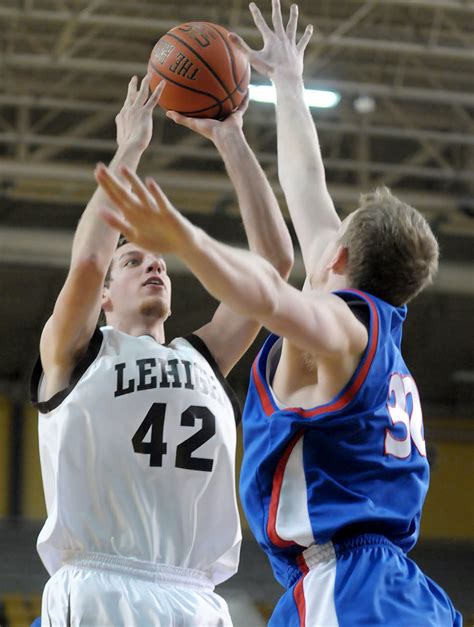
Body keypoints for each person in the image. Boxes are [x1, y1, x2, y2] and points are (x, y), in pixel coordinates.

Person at [95, 2, 462, 625]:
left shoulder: (339, 329)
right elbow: (306, 184)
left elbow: (266, 294)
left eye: (332, 231)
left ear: (338, 257)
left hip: (350, 590)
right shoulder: (374, 324)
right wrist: (285, 83)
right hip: (381, 585)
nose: (319, 224)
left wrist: (183, 238)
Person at [30, 73, 293, 626]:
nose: (153, 263)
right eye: (132, 260)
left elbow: (275, 267)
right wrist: (130, 147)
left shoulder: (201, 358)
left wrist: (231, 137)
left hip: (195, 596)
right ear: (104, 295)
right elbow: (85, 260)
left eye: (161, 261)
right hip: (101, 586)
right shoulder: (75, 352)